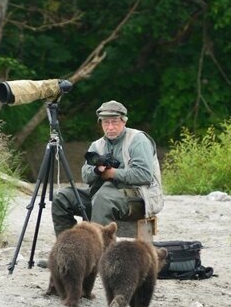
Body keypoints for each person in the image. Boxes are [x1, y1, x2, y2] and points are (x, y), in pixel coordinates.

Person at [49, 99, 164, 237]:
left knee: (103, 198)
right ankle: (70, 247)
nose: (110, 127)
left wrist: (112, 173)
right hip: (102, 195)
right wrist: (97, 170)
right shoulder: (97, 145)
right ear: (101, 123)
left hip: (138, 197)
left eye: (114, 122)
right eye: (105, 122)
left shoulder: (137, 140)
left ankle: (100, 253)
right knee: (62, 197)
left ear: (124, 121)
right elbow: (85, 175)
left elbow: (144, 175)